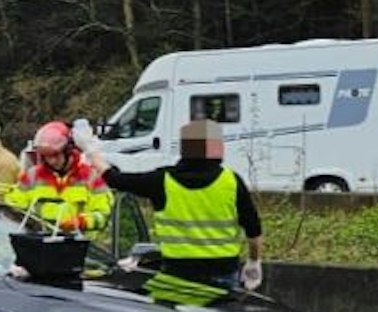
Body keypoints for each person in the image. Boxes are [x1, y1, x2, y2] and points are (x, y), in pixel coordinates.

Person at [92, 118, 263, 291]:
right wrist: (254, 262)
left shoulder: (162, 181)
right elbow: (253, 229)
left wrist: (91, 151)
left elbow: (116, 179)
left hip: (176, 277)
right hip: (223, 275)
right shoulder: (232, 182)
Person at [5, 120, 112, 233]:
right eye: (46, 156)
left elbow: (103, 215)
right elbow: (13, 207)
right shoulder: (32, 177)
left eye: (56, 155)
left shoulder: (91, 177)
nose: (51, 161)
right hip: (38, 242)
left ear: (68, 150)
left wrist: (82, 222)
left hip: (78, 244)